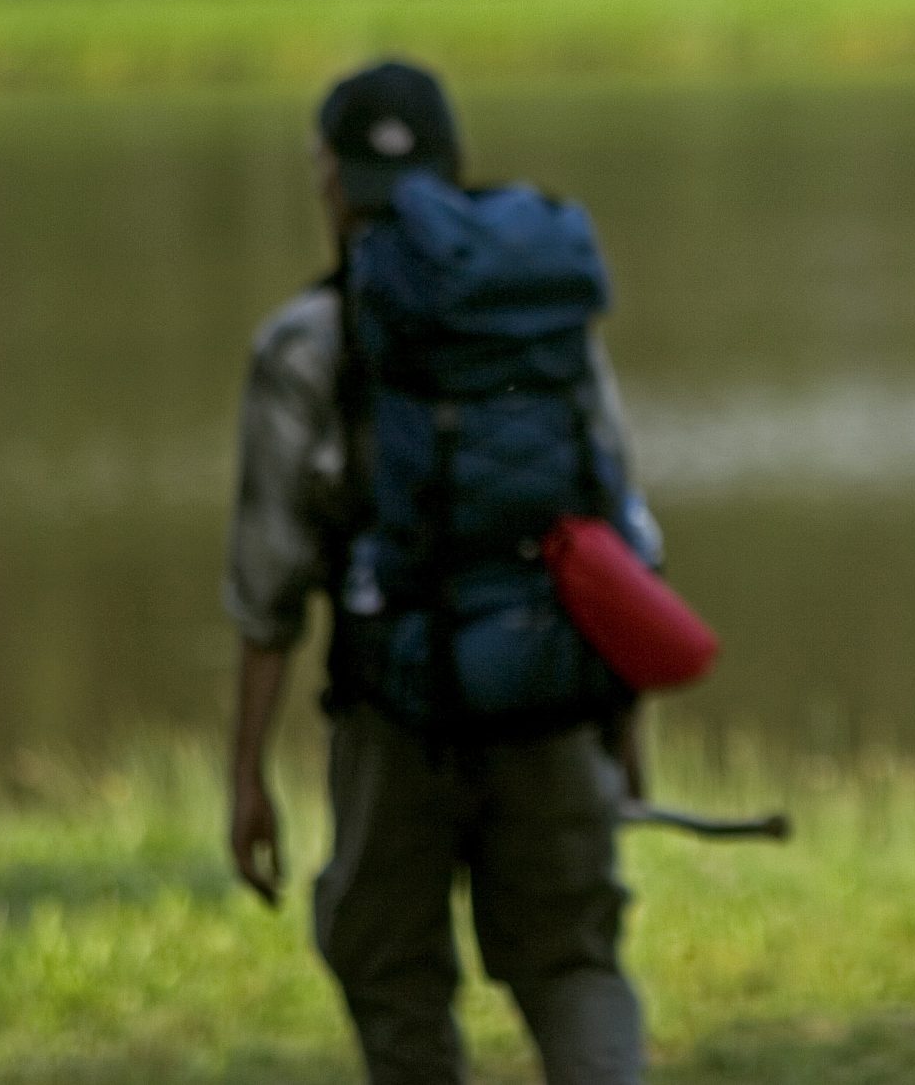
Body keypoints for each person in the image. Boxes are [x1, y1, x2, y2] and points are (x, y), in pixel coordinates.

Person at [224, 60, 655, 1085]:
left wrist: (245, 773)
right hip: (549, 693)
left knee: (392, 970)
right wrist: (622, 722)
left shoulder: (302, 343)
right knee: (572, 960)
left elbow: (267, 582)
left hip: (394, 712)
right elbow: (622, 526)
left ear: (328, 178)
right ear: (453, 168)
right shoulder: (542, 320)